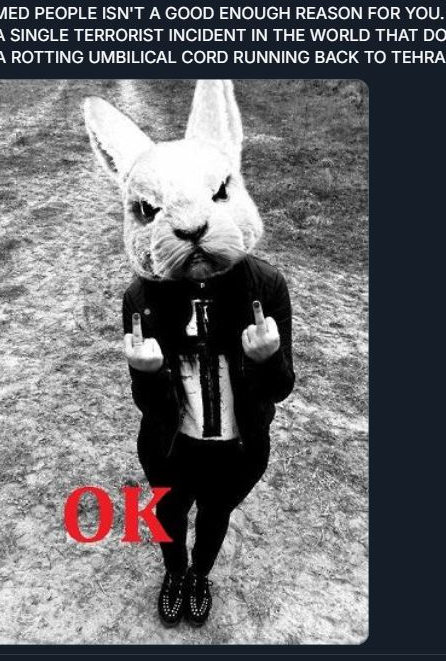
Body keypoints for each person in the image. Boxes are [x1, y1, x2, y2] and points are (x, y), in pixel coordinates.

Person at [123, 255, 294, 627]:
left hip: (238, 448)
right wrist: (148, 374)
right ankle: (175, 573)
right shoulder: (142, 296)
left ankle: (199, 575)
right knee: (170, 512)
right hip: (170, 446)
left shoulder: (266, 286)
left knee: (216, 513)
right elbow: (149, 405)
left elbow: (280, 388)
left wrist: (268, 358)